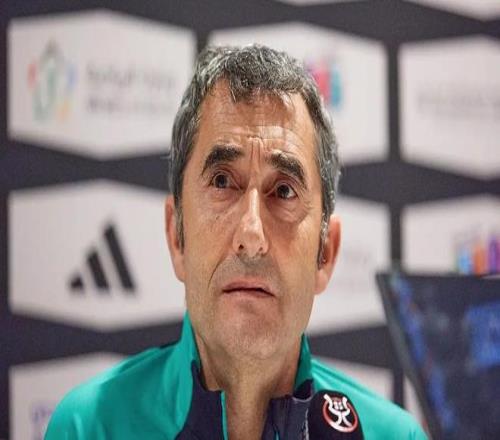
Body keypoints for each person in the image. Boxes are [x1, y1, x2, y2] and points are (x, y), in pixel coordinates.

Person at [45, 45, 427, 440]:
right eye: (223, 181)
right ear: (177, 236)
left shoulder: (394, 437)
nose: (252, 235)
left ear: (325, 253)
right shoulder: (89, 427)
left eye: (284, 190)